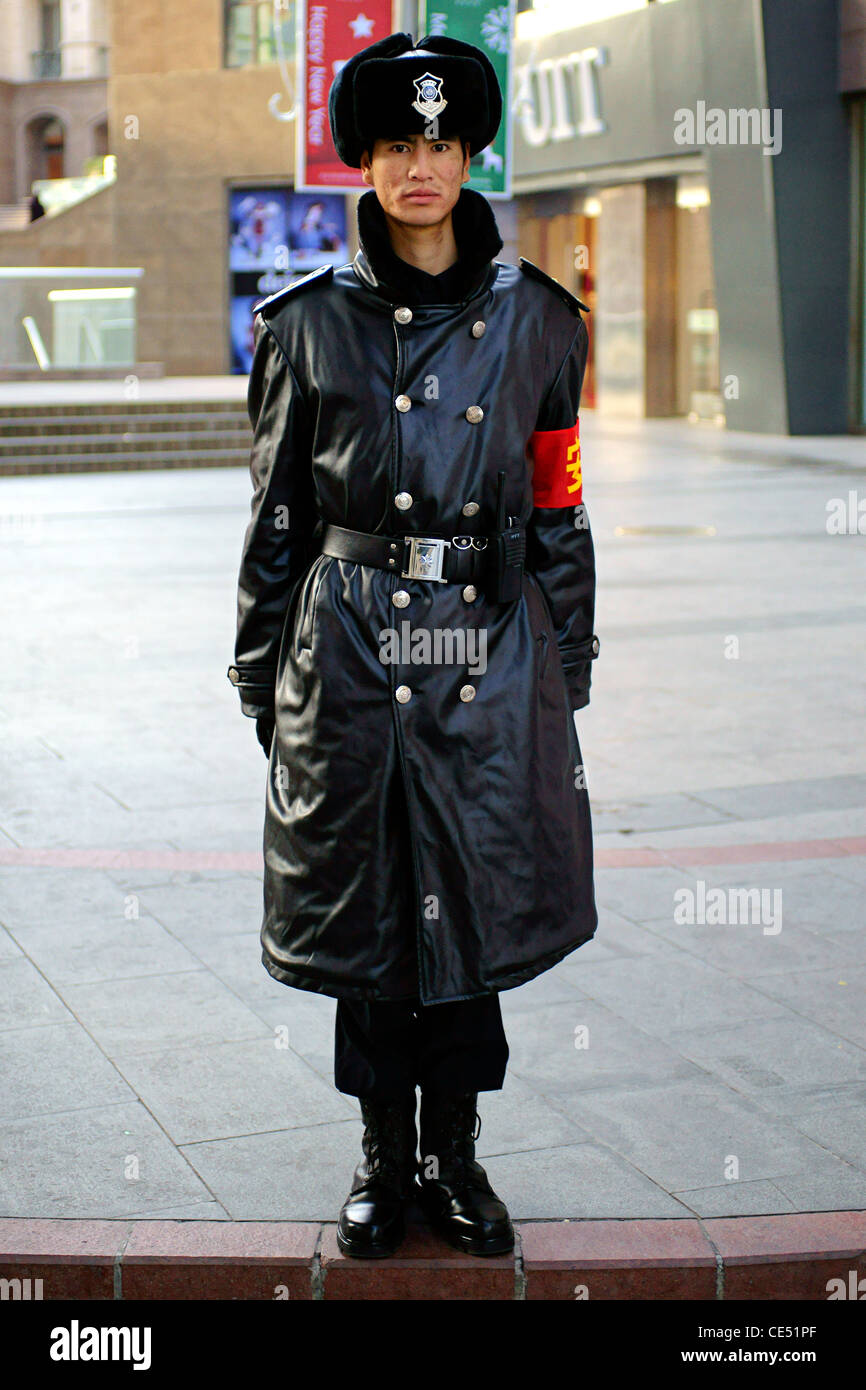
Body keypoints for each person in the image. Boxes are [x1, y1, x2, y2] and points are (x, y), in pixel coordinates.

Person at [228, 31, 600, 1260]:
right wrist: (258, 672)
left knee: (472, 908)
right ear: (365, 162)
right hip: (345, 654)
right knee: (370, 909)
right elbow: (277, 513)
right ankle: (383, 1157)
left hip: (488, 652)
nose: (419, 166)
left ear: (469, 151)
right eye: (396, 144)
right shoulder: (305, 325)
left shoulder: (539, 323)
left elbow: (556, 501)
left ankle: (459, 1156)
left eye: (438, 142)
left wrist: (569, 658)